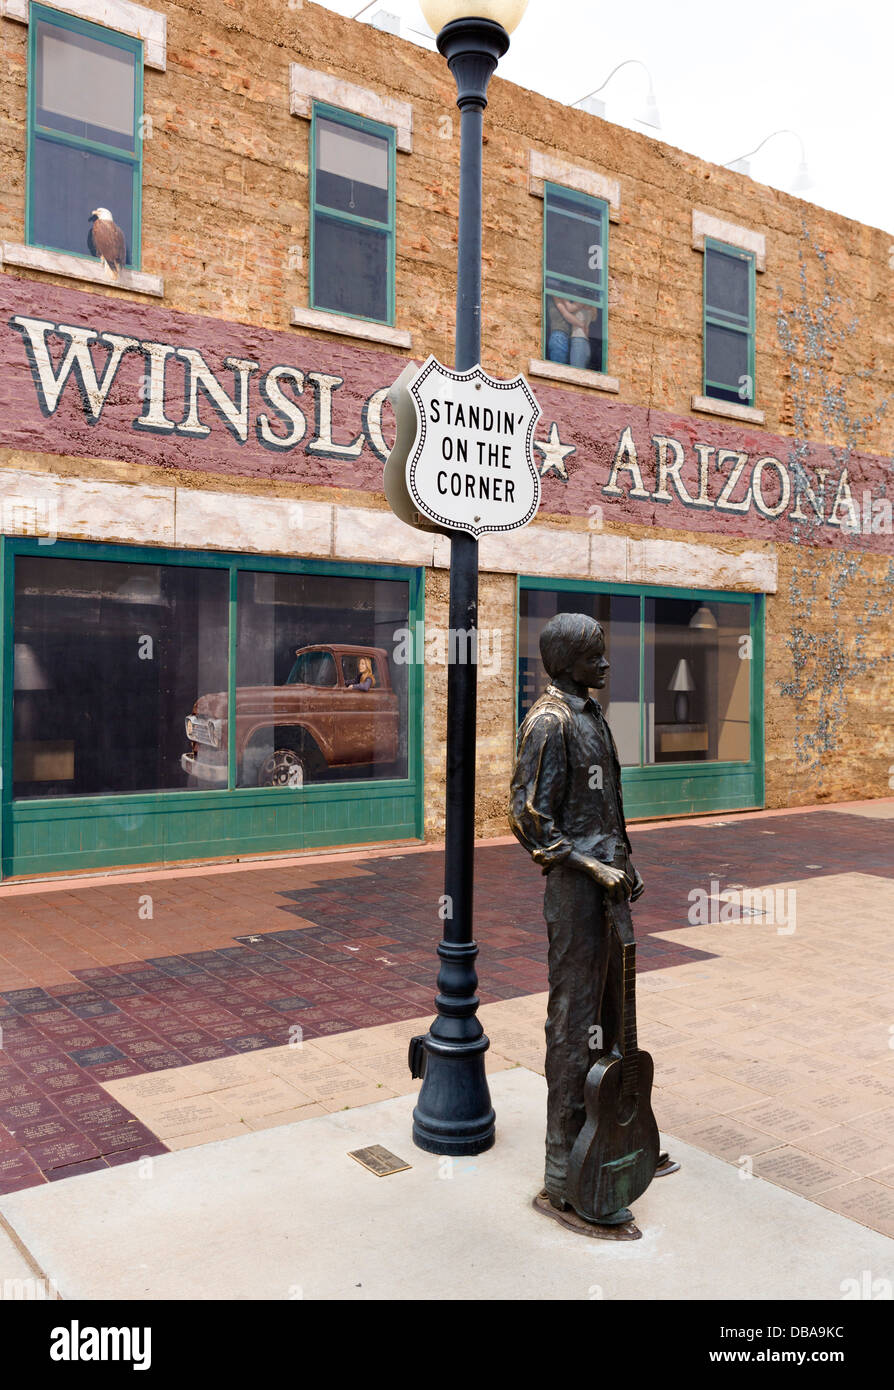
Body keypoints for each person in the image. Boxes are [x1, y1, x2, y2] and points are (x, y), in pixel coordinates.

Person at [508, 612, 677, 1224]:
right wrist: (590, 867)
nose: (607, 664)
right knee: (575, 1020)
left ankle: (618, 1131)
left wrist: (624, 860)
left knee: (617, 1012)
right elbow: (529, 818)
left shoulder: (591, 713)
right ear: (567, 661)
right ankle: (563, 1172)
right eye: (596, 655)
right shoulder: (548, 722)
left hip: (610, 885)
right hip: (578, 893)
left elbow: (603, 804)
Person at [546, 296, 593, 370]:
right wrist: (582, 324)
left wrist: (563, 296)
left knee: (565, 371)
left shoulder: (583, 298)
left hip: (576, 339)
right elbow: (568, 311)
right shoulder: (590, 303)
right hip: (568, 337)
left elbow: (568, 309)